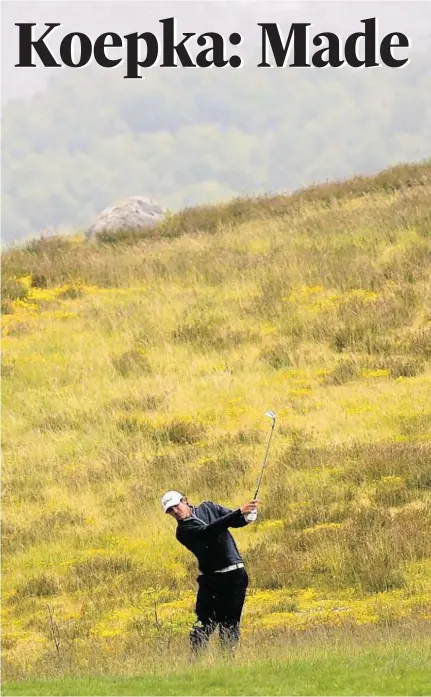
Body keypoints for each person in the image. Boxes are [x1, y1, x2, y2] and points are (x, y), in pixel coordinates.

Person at [161, 489, 260, 657]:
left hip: (234, 575)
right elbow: (208, 531)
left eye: (176, 506)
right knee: (202, 625)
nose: (175, 512)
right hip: (211, 580)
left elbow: (235, 520)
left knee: (230, 624)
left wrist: (248, 515)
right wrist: (238, 512)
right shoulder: (183, 531)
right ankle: (195, 666)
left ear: (184, 500)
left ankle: (227, 664)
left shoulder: (209, 507)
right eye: (170, 511)